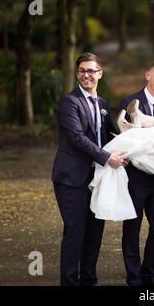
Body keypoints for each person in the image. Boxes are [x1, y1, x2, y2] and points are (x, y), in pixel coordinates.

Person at [51, 52, 127, 286]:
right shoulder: (69, 102)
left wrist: (134, 140)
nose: (87, 75)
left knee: (95, 232)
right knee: (75, 232)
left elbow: (110, 135)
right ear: (77, 74)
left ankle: (89, 279)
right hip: (72, 178)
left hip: (98, 179)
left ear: (100, 74)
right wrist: (107, 158)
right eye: (82, 71)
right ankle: (70, 281)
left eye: (91, 71)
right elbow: (77, 137)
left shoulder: (102, 104)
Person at [117, 58, 154, 286]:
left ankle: (150, 274)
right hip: (135, 179)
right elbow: (120, 136)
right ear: (148, 75)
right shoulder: (130, 101)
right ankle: (134, 277)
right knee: (132, 228)